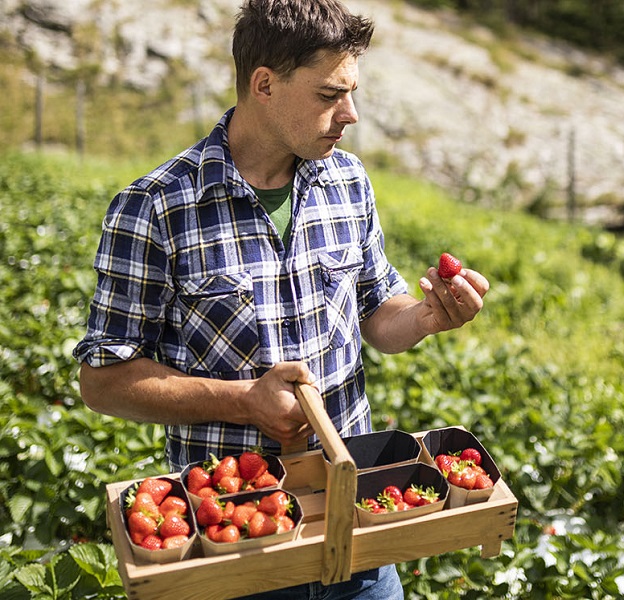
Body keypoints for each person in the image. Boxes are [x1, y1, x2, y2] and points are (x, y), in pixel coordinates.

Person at [73, 0, 489, 597]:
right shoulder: (156, 208)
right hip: (238, 539)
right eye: (328, 95)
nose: (350, 114)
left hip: (359, 527)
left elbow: (378, 313)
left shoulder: (347, 182)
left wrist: (425, 316)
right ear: (264, 84)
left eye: (351, 92)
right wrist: (246, 402)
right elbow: (103, 380)